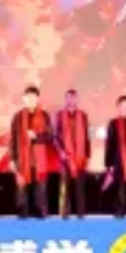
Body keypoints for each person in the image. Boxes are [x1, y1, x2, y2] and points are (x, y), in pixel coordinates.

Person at [9, 85, 55, 219]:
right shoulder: (17, 117)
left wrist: (37, 136)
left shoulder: (44, 115)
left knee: (40, 186)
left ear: (37, 99)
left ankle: (40, 210)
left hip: (39, 158)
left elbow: (50, 136)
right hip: (23, 157)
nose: (30, 100)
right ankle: (22, 211)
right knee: (22, 185)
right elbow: (12, 138)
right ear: (23, 99)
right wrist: (12, 158)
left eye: (33, 97)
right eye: (28, 97)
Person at [54, 89, 92, 219]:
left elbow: (87, 137)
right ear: (65, 99)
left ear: (77, 99)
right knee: (65, 187)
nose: (71, 100)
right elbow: (55, 137)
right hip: (66, 157)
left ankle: (81, 214)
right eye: (69, 98)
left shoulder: (83, 115)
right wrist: (61, 152)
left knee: (80, 188)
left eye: (74, 97)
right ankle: (65, 214)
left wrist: (88, 155)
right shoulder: (59, 115)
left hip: (80, 157)